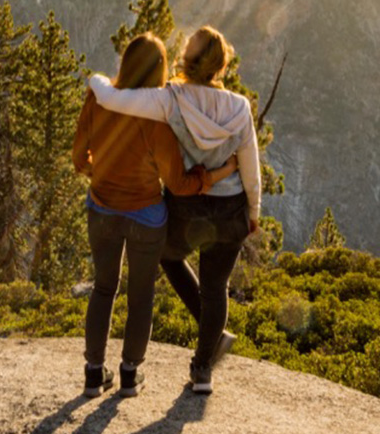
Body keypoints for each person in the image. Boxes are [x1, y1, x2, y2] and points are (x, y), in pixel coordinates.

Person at [86, 25, 261, 395]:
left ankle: (195, 338)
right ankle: (202, 371)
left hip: (187, 206)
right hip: (230, 207)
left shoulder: (170, 99)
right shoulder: (239, 108)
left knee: (166, 256)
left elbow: (116, 100)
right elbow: (250, 165)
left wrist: (96, 80)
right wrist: (254, 211)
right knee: (216, 288)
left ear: (186, 60)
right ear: (221, 65)